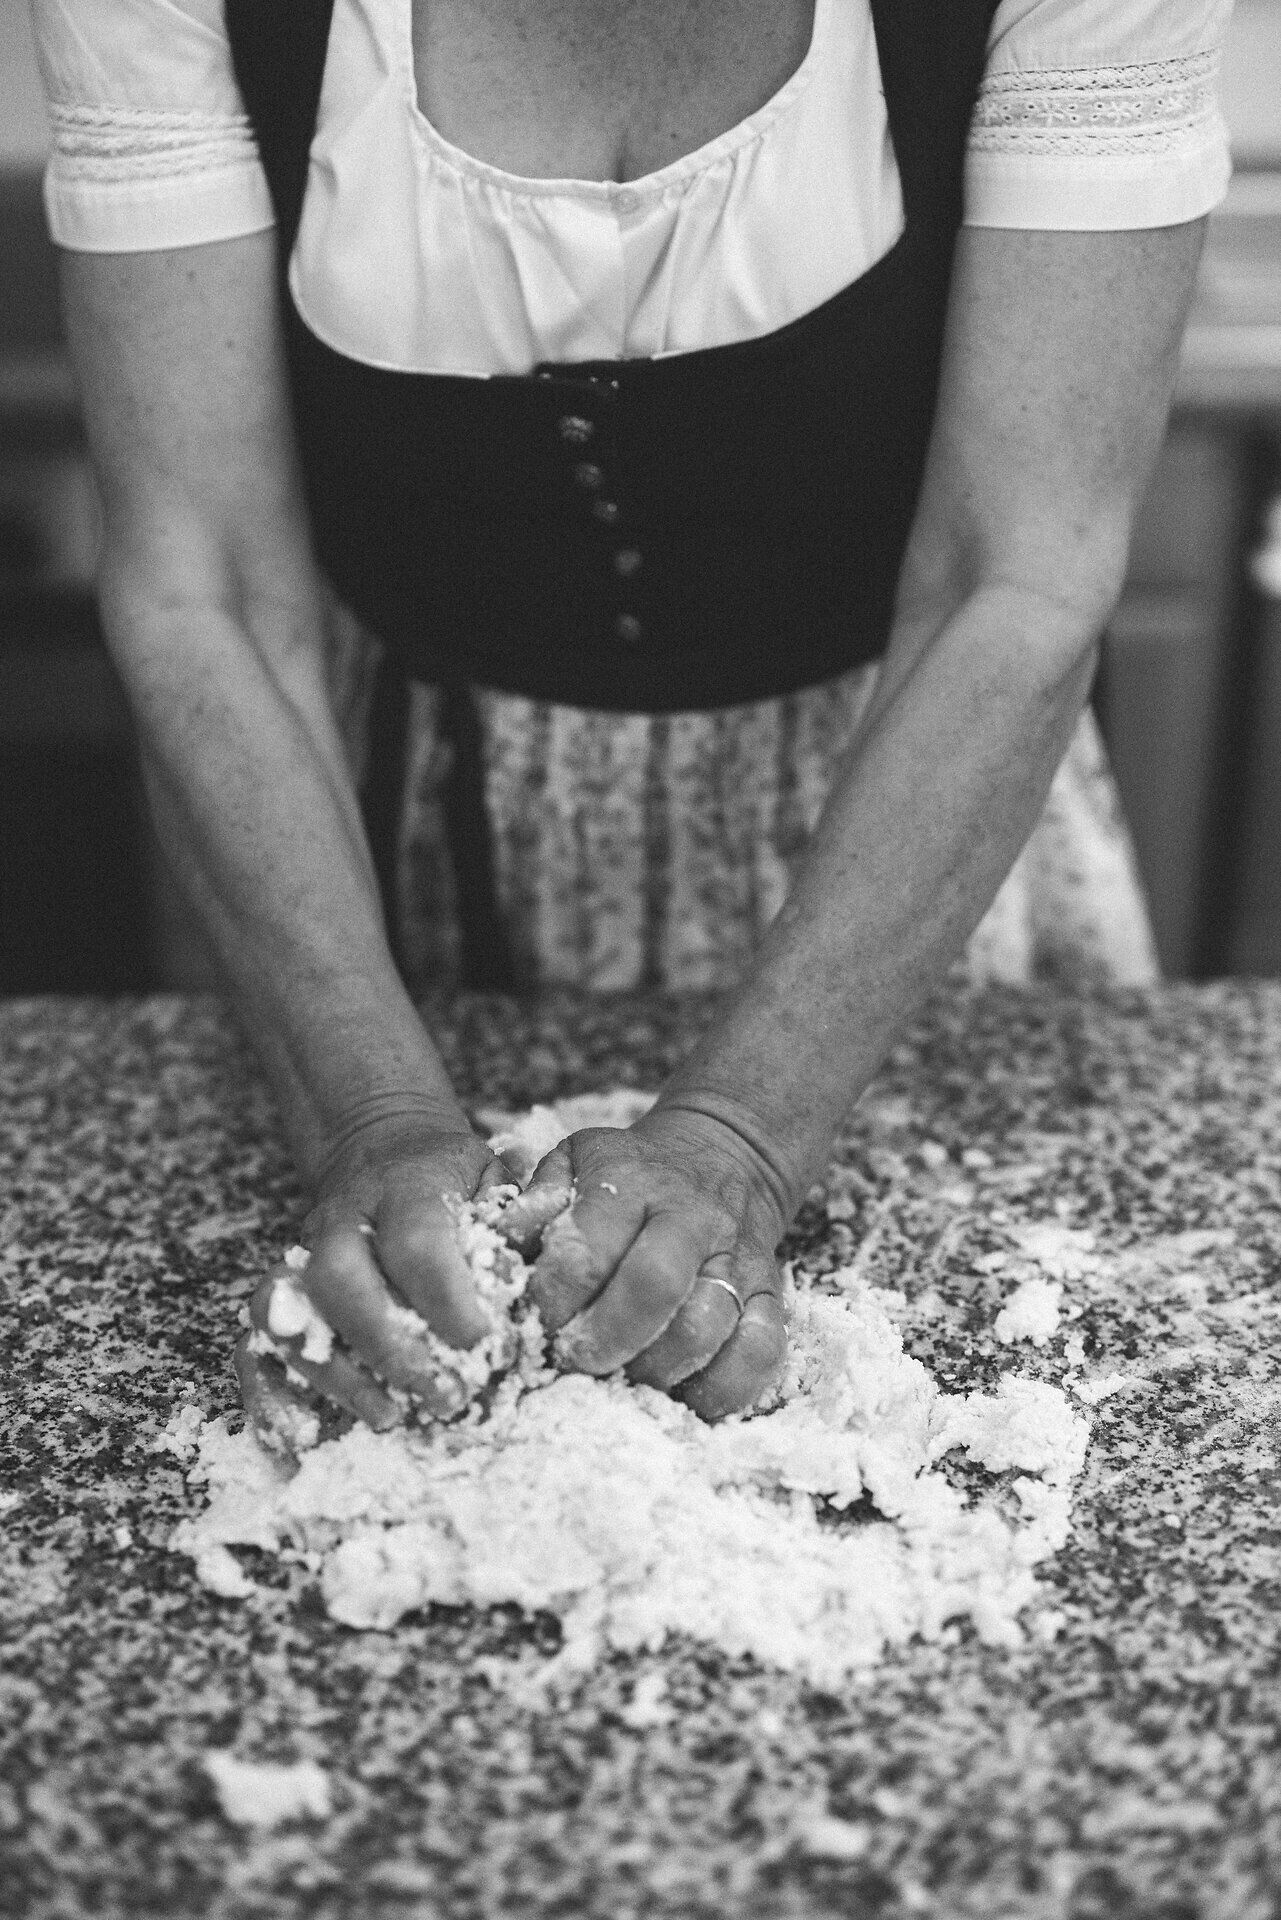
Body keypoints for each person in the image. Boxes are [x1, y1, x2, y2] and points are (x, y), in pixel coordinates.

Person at [32, 0, 1233, 1427]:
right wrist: (374, 1112)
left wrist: (744, 1128)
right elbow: (202, 588)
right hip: (378, 851)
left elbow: (1016, 578)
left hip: (904, 831)